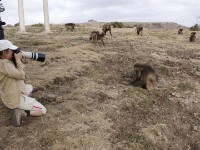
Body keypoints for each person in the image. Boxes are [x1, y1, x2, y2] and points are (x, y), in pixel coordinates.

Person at [0, 40, 47, 127]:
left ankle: (22, 104)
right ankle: (22, 112)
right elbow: (21, 75)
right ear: (4, 52)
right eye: (11, 50)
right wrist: (18, 60)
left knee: (29, 87)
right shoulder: (4, 64)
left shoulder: (4, 62)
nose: (13, 52)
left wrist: (19, 60)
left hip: (8, 93)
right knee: (42, 110)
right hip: (14, 98)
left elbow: (15, 73)